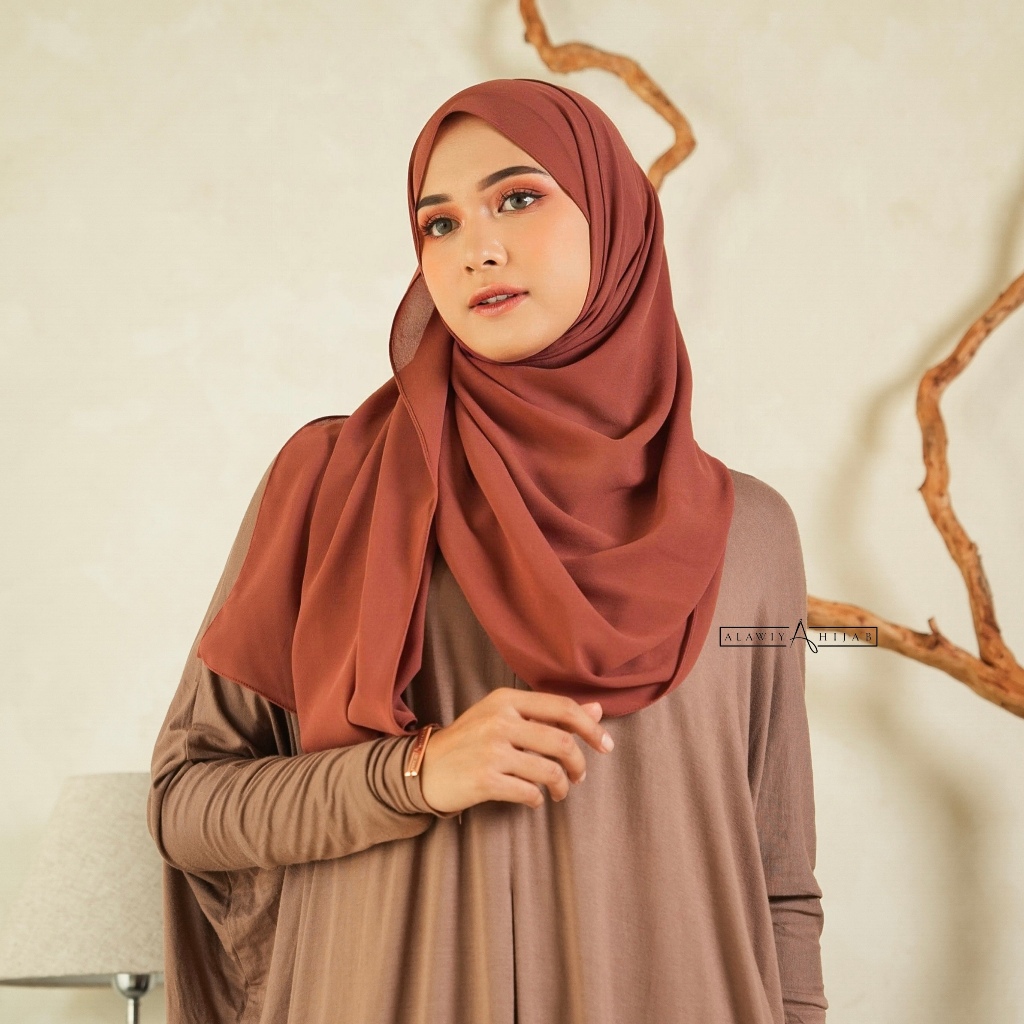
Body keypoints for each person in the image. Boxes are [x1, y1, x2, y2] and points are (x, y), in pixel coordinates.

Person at [148, 77, 828, 1024]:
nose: (479, 248)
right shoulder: (334, 486)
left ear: (617, 222)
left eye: (517, 198)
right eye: (440, 224)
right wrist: (415, 774)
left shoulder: (750, 533)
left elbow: (779, 878)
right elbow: (188, 806)